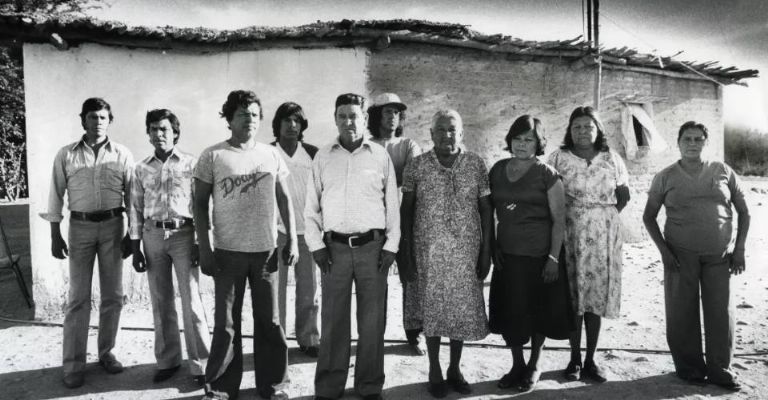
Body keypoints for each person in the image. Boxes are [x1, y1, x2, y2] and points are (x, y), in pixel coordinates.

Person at [194, 90, 298, 400]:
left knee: (270, 321)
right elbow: (199, 204)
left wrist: (291, 238)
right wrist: (205, 248)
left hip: (265, 251)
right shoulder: (212, 155)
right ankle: (221, 387)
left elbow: (284, 198)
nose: (249, 120)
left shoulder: (270, 154)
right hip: (228, 252)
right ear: (229, 119)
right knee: (226, 324)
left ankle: (275, 386)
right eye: (242, 114)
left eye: (254, 114)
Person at [305, 93, 399, 400]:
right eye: (343, 115)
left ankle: (369, 386)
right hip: (334, 251)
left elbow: (392, 205)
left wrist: (391, 246)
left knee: (372, 323)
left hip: (373, 249)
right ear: (335, 119)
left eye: (354, 115)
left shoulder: (379, 156)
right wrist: (316, 246)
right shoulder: (323, 157)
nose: (349, 121)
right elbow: (311, 207)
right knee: (333, 321)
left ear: (363, 119)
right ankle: (330, 387)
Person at [643, 121, 749, 391]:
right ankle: (689, 369)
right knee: (681, 313)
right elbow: (649, 216)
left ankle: (720, 370)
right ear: (678, 143)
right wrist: (664, 252)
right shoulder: (665, 176)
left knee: (721, 313)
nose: (693, 143)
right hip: (680, 256)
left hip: (719, 256)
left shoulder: (723, 171)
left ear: (706, 142)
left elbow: (744, 212)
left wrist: (739, 249)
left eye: (698, 139)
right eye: (687, 139)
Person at [40, 97, 134, 389]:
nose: (98, 122)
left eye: (103, 117)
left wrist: (133, 234)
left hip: (113, 227)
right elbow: (56, 194)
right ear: (83, 120)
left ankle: (107, 353)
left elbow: (132, 196)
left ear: (110, 120)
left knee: (113, 296)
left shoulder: (121, 154)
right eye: (92, 117)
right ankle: (73, 364)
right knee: (78, 298)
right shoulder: (66, 155)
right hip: (79, 227)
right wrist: (55, 233)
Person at [399, 109, 492, 398]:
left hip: (465, 253)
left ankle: (454, 368)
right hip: (428, 253)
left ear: (461, 133)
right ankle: (435, 370)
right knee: (432, 310)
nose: (446, 135)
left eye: (452, 129)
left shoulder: (476, 165)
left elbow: (487, 210)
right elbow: (406, 211)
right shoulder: (416, 167)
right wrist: (406, 254)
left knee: (460, 311)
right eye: (440, 130)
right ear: (430, 134)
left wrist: (486, 251)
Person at [547, 106, 630, 383]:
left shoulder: (612, 158)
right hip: (568, 233)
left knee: (594, 299)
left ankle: (591, 360)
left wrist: (599, 217)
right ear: (570, 130)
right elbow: (546, 194)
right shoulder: (558, 158)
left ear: (598, 129)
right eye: (577, 126)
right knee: (573, 298)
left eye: (588, 126)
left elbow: (623, 195)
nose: (583, 131)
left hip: (603, 237)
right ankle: (573, 359)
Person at [129, 109, 211, 385]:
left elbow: (201, 206)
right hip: (153, 235)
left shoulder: (191, 163)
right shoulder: (141, 168)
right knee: (161, 301)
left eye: (164, 129)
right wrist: (136, 245)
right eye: (153, 129)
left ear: (175, 132)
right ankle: (167, 360)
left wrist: (201, 241)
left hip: (183, 234)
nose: (158, 134)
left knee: (192, 301)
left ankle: (201, 363)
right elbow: (135, 208)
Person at [488, 115, 570, 392]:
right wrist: (493, 247)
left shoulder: (547, 174)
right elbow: (491, 212)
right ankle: (516, 364)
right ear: (510, 140)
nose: (522, 145)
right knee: (512, 312)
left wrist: (553, 258)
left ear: (538, 143)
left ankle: (534, 364)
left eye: (529, 140)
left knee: (538, 311)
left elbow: (559, 219)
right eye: (517, 139)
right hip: (507, 255)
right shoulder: (497, 170)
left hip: (539, 257)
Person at [367, 92, 424, 355]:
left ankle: (415, 333)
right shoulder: (367, 146)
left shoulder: (408, 145)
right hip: (376, 221)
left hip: (407, 219)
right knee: (377, 277)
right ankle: (374, 333)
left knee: (411, 276)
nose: (392, 117)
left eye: (396, 112)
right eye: (387, 112)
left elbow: (413, 178)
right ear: (377, 116)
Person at [270, 102, 321, 358]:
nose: (292, 126)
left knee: (309, 290)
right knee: (274, 290)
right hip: (275, 232)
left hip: (307, 231)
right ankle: (276, 341)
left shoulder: (312, 153)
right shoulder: (267, 152)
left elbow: (323, 190)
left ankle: (309, 338)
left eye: (297, 121)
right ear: (277, 124)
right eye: (287, 121)